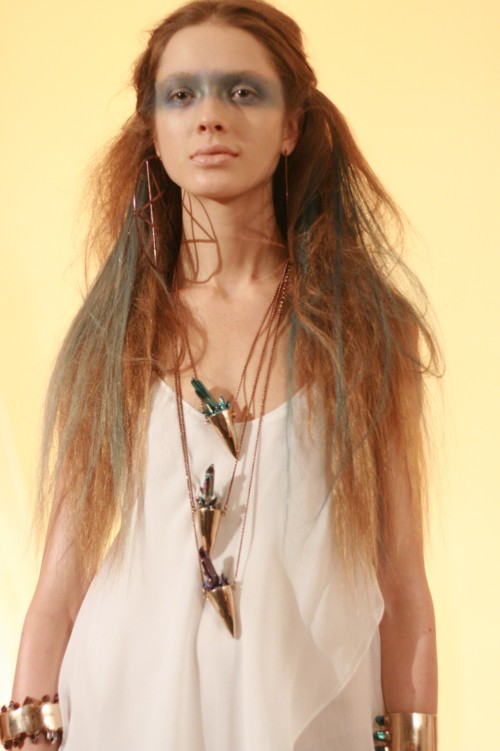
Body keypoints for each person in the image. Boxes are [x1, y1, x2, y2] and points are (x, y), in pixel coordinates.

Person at [1, 1, 439, 749]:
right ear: (154, 132)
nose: (209, 117)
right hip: (124, 710)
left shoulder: (366, 332)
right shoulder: (114, 334)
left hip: (309, 712)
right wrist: (24, 733)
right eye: (181, 95)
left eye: (242, 91)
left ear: (291, 126)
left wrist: (414, 738)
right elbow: (59, 587)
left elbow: (402, 586)